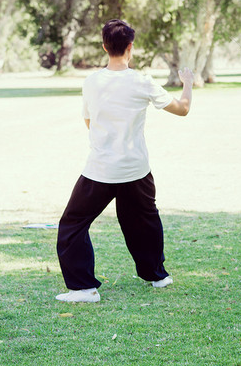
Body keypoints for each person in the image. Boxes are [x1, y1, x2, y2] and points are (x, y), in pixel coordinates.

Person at [54, 19, 194, 303]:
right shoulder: (143, 81)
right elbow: (183, 109)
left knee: (72, 225)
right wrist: (188, 83)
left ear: (105, 47)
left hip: (101, 168)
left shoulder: (92, 81)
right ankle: (158, 276)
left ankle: (84, 289)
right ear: (130, 47)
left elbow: (88, 120)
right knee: (144, 220)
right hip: (135, 168)